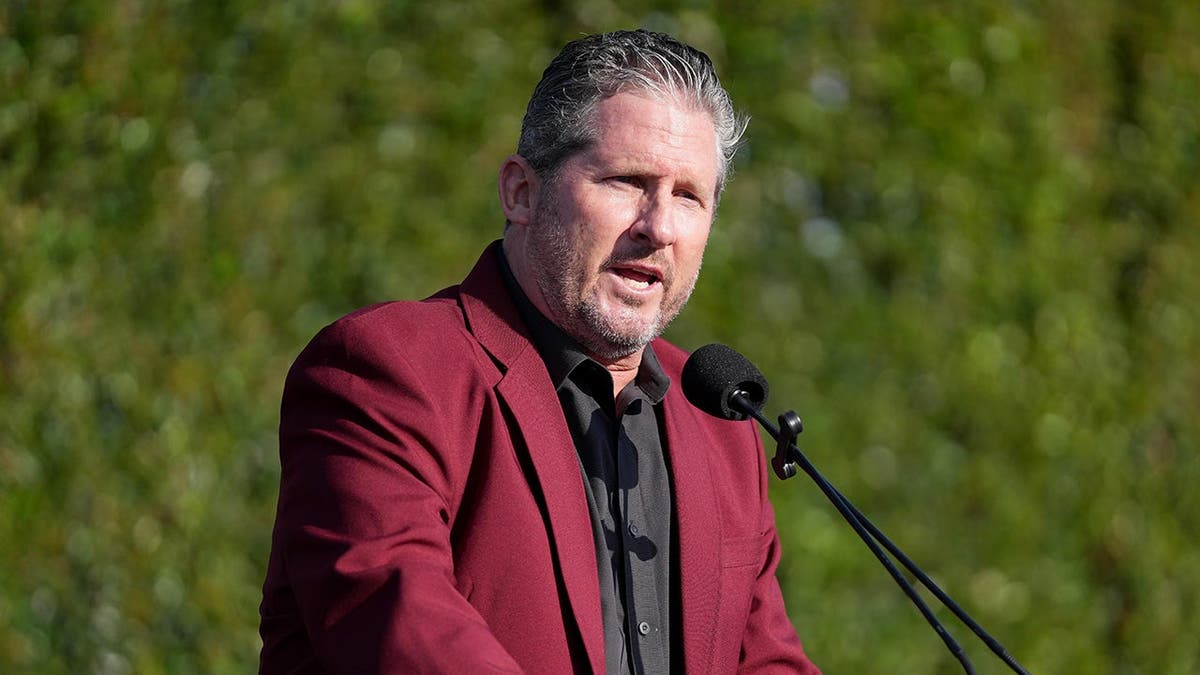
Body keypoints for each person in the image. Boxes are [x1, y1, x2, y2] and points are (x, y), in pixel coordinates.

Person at [259, 29, 820, 674]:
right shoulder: (387, 367)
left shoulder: (723, 426)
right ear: (521, 192)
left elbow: (768, 663)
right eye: (625, 181)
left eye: (689, 197)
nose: (659, 227)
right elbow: (400, 626)